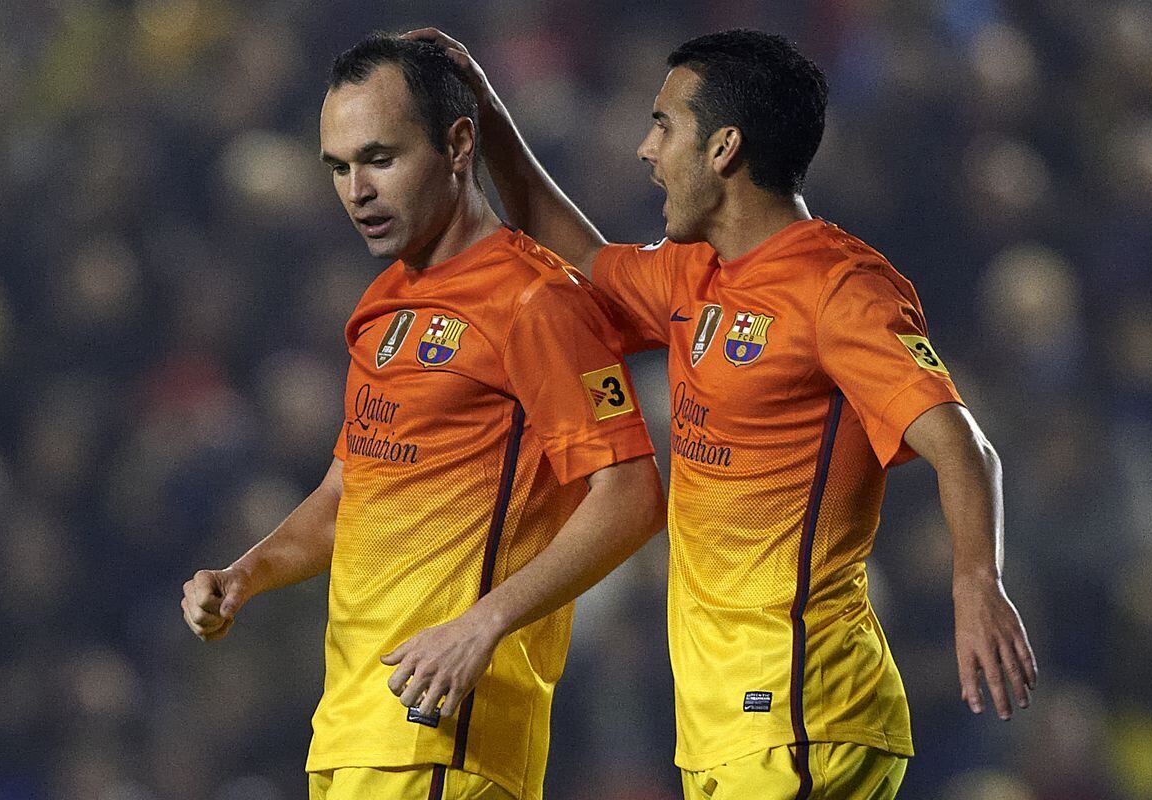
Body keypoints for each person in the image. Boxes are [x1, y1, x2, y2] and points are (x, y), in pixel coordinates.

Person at [408, 27, 1039, 799]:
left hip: (802, 712)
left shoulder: (839, 287)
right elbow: (577, 256)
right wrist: (488, 114)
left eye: (663, 126)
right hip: (728, 732)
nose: (646, 150)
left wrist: (976, 582)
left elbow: (961, 444)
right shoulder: (693, 273)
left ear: (723, 148)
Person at [180, 33, 665, 800]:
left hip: (446, 741)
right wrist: (247, 573)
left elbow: (632, 494)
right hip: (349, 736)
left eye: (380, 159)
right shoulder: (383, 304)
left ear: (458, 145)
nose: (357, 190)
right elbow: (348, 496)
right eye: (339, 167)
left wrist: (484, 623)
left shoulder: (536, 302)